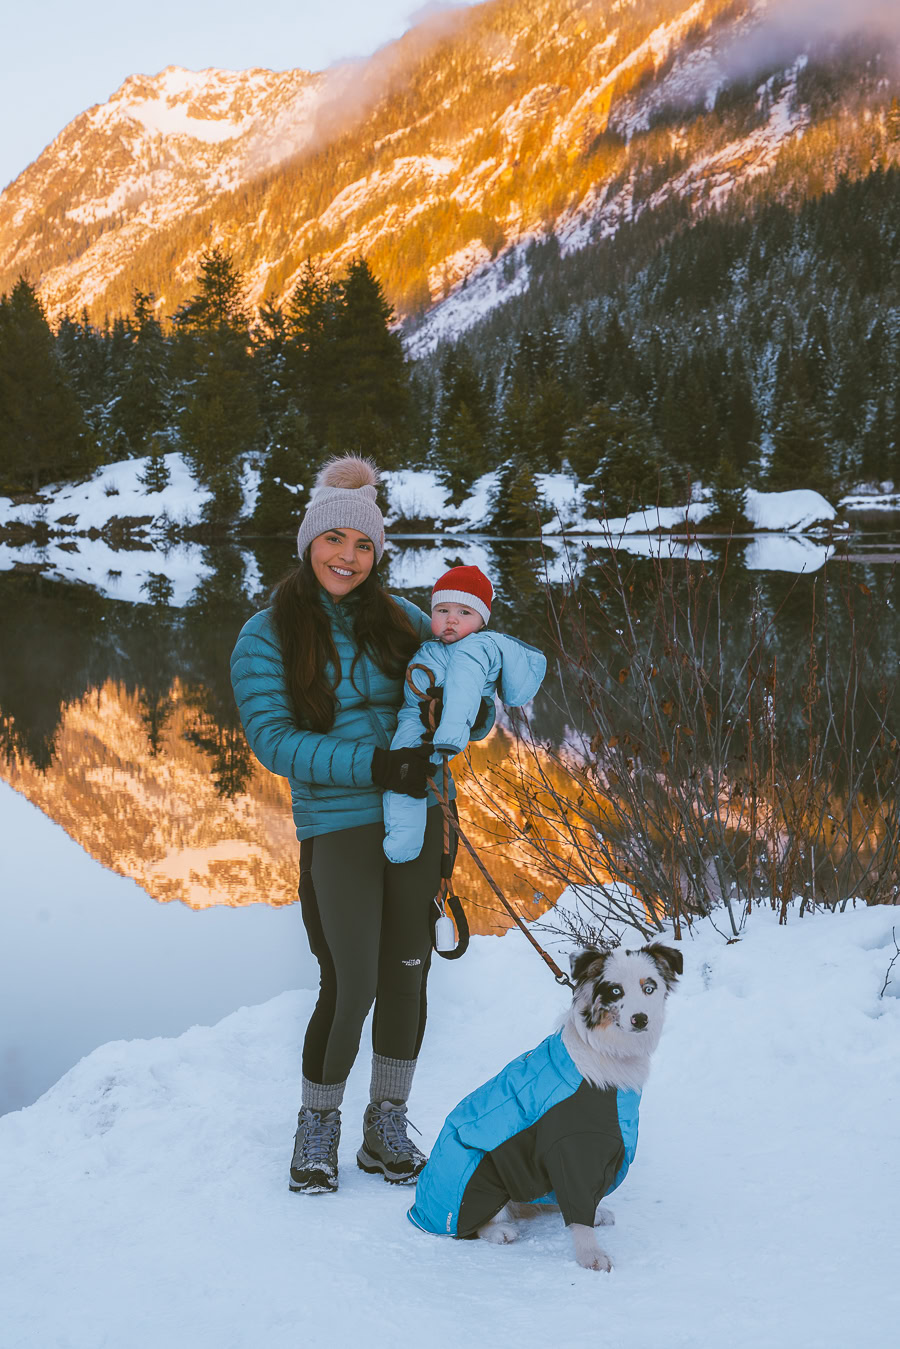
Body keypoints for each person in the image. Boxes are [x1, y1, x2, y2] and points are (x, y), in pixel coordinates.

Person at [230, 455, 493, 1196]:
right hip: (340, 821)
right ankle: (319, 1124)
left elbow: (464, 699)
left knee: (408, 973)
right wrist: (379, 765)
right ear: (309, 542)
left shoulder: (407, 621)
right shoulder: (264, 634)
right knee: (350, 981)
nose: (347, 556)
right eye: (334, 540)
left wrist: (475, 705)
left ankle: (386, 1124)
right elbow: (274, 741)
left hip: (419, 815)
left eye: (364, 546)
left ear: (378, 555)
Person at [383, 565, 547, 864]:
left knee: (413, 765)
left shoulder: (477, 647)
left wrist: (450, 733)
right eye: (442, 610)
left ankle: (407, 843)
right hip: (415, 716)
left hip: (444, 728)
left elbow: (465, 687)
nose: (451, 619)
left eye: (465, 613)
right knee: (402, 770)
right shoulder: (433, 647)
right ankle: (403, 841)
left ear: (483, 621)